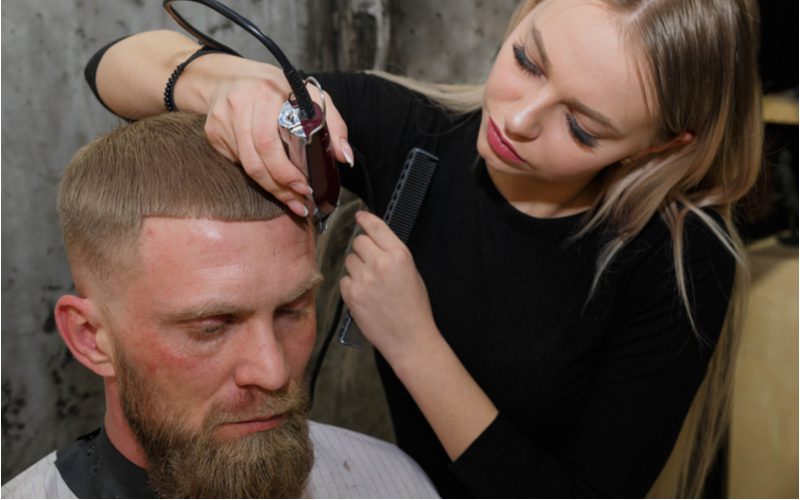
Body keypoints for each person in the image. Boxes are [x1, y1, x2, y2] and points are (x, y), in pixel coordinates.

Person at [84, 0, 763, 496]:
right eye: (527, 60)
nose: (516, 120)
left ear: (663, 145)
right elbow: (112, 67)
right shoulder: (414, 140)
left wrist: (414, 344)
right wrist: (233, 86)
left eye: (582, 128)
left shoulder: (679, 261)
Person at [1, 112, 438, 499]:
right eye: (212, 326)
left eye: (292, 310)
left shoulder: (390, 483)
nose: (274, 372)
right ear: (90, 338)